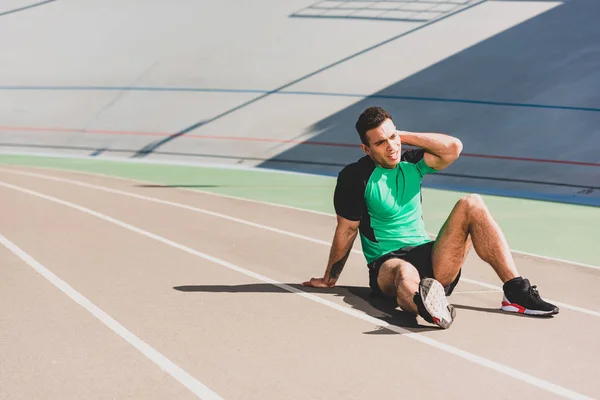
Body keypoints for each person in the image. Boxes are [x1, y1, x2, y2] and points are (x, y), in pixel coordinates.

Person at [303, 106, 559, 329]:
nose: (391, 147)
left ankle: (515, 292)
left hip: (432, 256)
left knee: (472, 203)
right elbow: (347, 230)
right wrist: (329, 279)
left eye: (393, 137)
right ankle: (426, 306)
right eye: (380, 143)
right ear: (366, 148)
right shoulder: (354, 176)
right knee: (404, 271)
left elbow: (453, 148)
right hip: (387, 262)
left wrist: (399, 136)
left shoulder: (411, 161)